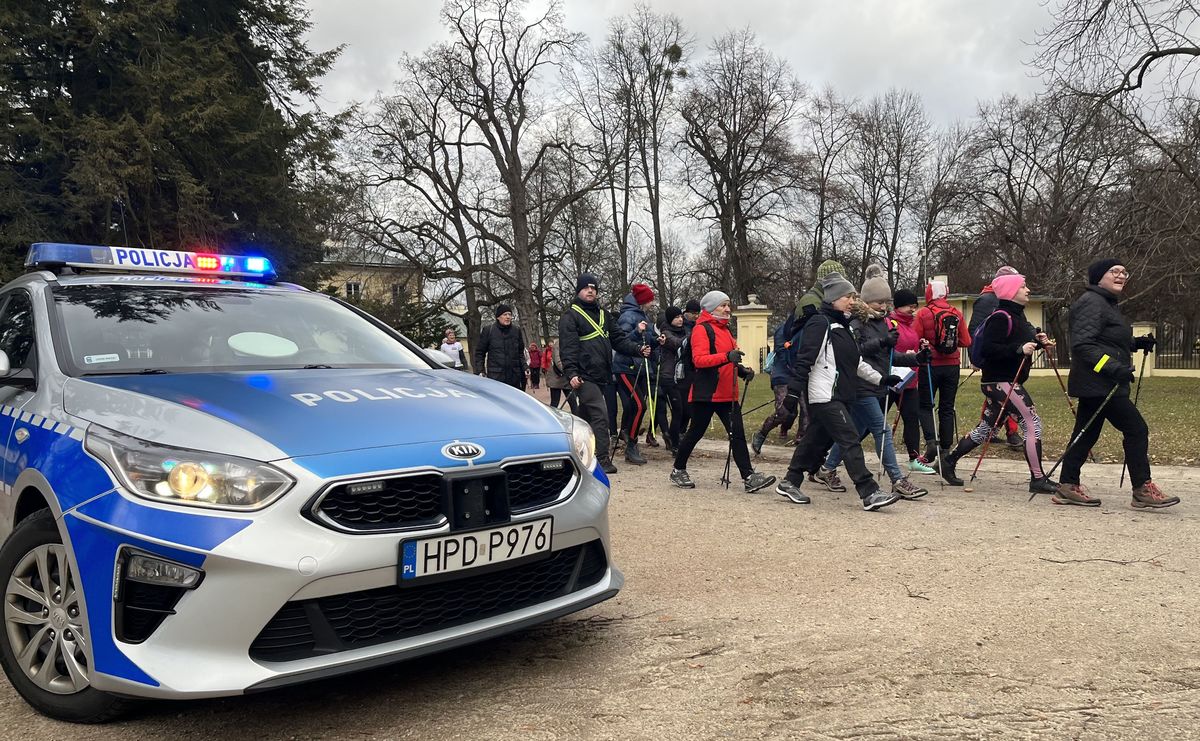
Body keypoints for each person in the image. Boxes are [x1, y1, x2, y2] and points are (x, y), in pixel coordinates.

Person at [773, 274, 903, 512]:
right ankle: (870, 492)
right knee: (850, 439)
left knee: (814, 441)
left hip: (840, 395)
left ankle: (790, 481)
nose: (853, 301)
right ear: (833, 299)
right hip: (824, 396)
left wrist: (882, 378)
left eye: (854, 296)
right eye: (848, 296)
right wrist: (793, 394)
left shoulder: (843, 326)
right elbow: (805, 360)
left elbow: (856, 362)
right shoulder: (819, 323)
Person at [1056, 259, 1179, 509]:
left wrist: (1136, 343)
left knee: (1086, 433)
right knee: (1136, 429)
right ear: (1098, 277)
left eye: (1124, 272)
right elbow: (1083, 346)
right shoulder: (1092, 303)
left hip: (1100, 383)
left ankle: (1067, 485)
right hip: (1101, 383)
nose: (1121, 275)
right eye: (1115, 271)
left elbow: (1107, 340)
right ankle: (1142, 490)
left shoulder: (1107, 304)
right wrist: (1113, 368)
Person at [813, 266, 929, 500]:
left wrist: (915, 358)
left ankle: (826, 468)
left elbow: (887, 357)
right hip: (859, 385)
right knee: (882, 429)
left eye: (886, 302)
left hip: (878, 384)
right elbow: (854, 352)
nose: (883, 307)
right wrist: (883, 342)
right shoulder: (857, 323)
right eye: (878, 303)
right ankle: (897, 479)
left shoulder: (883, 322)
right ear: (866, 301)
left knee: (855, 432)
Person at [938, 273, 1057, 494]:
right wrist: (1019, 349)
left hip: (1002, 382)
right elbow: (989, 350)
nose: (1028, 290)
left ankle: (948, 462)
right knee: (1032, 423)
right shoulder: (1000, 317)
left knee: (985, 429)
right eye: (1023, 287)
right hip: (1001, 382)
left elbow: (1015, 345)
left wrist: (1036, 344)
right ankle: (1038, 479)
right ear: (1012, 292)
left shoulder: (1017, 316)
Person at [669, 291, 776, 493]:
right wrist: (728, 356)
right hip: (706, 393)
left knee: (737, 435)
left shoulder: (725, 330)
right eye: (723, 305)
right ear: (710, 308)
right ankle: (678, 469)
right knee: (695, 433)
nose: (728, 309)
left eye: (728, 305)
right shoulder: (702, 329)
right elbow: (700, 360)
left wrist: (742, 371)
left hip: (727, 393)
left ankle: (749, 477)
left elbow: (728, 360)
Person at [558, 274, 650, 474]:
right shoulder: (570, 316)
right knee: (601, 415)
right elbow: (568, 348)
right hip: (584, 375)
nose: (590, 291)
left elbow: (619, 340)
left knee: (583, 417)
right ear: (579, 290)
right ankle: (602, 459)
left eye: (594, 288)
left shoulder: (604, 315)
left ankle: (572, 451)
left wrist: (637, 349)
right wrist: (572, 372)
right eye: (586, 288)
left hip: (602, 374)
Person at [914, 278, 971, 465]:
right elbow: (966, 341)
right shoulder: (956, 313)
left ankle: (931, 442)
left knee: (925, 405)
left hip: (930, 366)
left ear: (929, 293)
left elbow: (915, 339)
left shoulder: (923, 313)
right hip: (952, 365)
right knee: (947, 408)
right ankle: (945, 451)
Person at [969, 266, 1023, 449]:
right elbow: (976, 330)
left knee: (1000, 401)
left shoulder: (1014, 304)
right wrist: (974, 357)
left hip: (1010, 359)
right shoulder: (987, 301)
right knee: (1006, 399)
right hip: (996, 361)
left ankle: (991, 431)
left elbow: (1023, 326)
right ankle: (1009, 432)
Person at [888, 288, 936, 475]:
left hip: (909, 379)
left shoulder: (910, 324)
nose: (913, 310)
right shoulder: (890, 323)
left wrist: (920, 347)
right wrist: (904, 355)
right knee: (872, 419)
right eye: (909, 306)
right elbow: (888, 350)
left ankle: (914, 458)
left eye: (914, 307)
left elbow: (912, 345)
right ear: (898, 306)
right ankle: (844, 450)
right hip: (891, 378)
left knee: (911, 418)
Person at [613, 284, 659, 465]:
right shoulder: (627, 316)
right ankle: (631, 445)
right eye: (649, 299)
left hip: (640, 367)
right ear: (642, 301)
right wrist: (636, 331)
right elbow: (621, 342)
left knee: (635, 407)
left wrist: (657, 341)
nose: (652, 303)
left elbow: (645, 343)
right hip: (625, 367)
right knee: (640, 406)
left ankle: (630, 441)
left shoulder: (643, 316)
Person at [654, 306, 687, 453]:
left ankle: (679, 437)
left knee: (687, 410)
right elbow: (678, 344)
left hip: (683, 377)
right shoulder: (665, 333)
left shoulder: (685, 330)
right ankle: (675, 444)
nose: (680, 320)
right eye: (676, 317)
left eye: (681, 316)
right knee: (677, 411)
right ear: (669, 319)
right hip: (669, 377)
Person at [474, 304, 529, 389]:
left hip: (514, 376)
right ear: (498, 317)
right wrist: (480, 370)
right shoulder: (489, 330)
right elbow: (480, 353)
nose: (508, 317)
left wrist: (525, 367)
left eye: (509, 314)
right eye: (505, 314)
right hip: (496, 376)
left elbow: (520, 353)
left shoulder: (516, 331)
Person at [545, 339, 576, 413]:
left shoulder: (570, 342)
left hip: (566, 378)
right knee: (554, 404)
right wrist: (570, 372)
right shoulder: (559, 344)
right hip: (557, 378)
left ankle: (577, 420)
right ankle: (551, 421)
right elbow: (558, 361)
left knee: (573, 403)